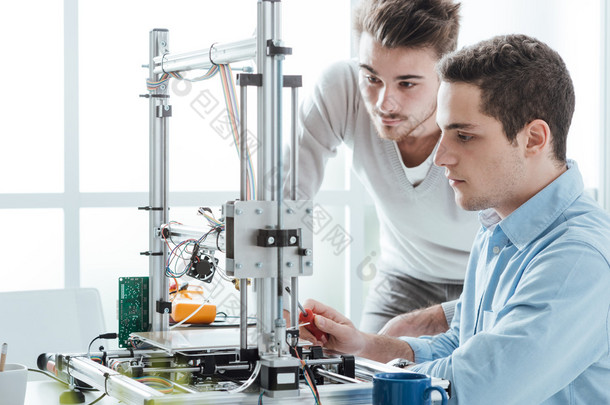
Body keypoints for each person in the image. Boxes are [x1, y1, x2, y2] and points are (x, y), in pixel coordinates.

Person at [300, 34, 610, 404]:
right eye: (443, 132)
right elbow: (460, 343)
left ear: (533, 139)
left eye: (464, 136)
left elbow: (474, 386)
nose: (440, 157)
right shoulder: (499, 226)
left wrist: (366, 374)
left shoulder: (579, 259)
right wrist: (364, 346)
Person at [292, 0, 480, 334]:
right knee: (366, 376)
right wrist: (281, 296)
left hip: (487, 279)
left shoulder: (482, 110)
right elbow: (287, 190)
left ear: (446, 72)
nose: (384, 103)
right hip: (403, 278)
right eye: (372, 78)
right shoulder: (343, 89)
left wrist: (427, 321)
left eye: (407, 83)